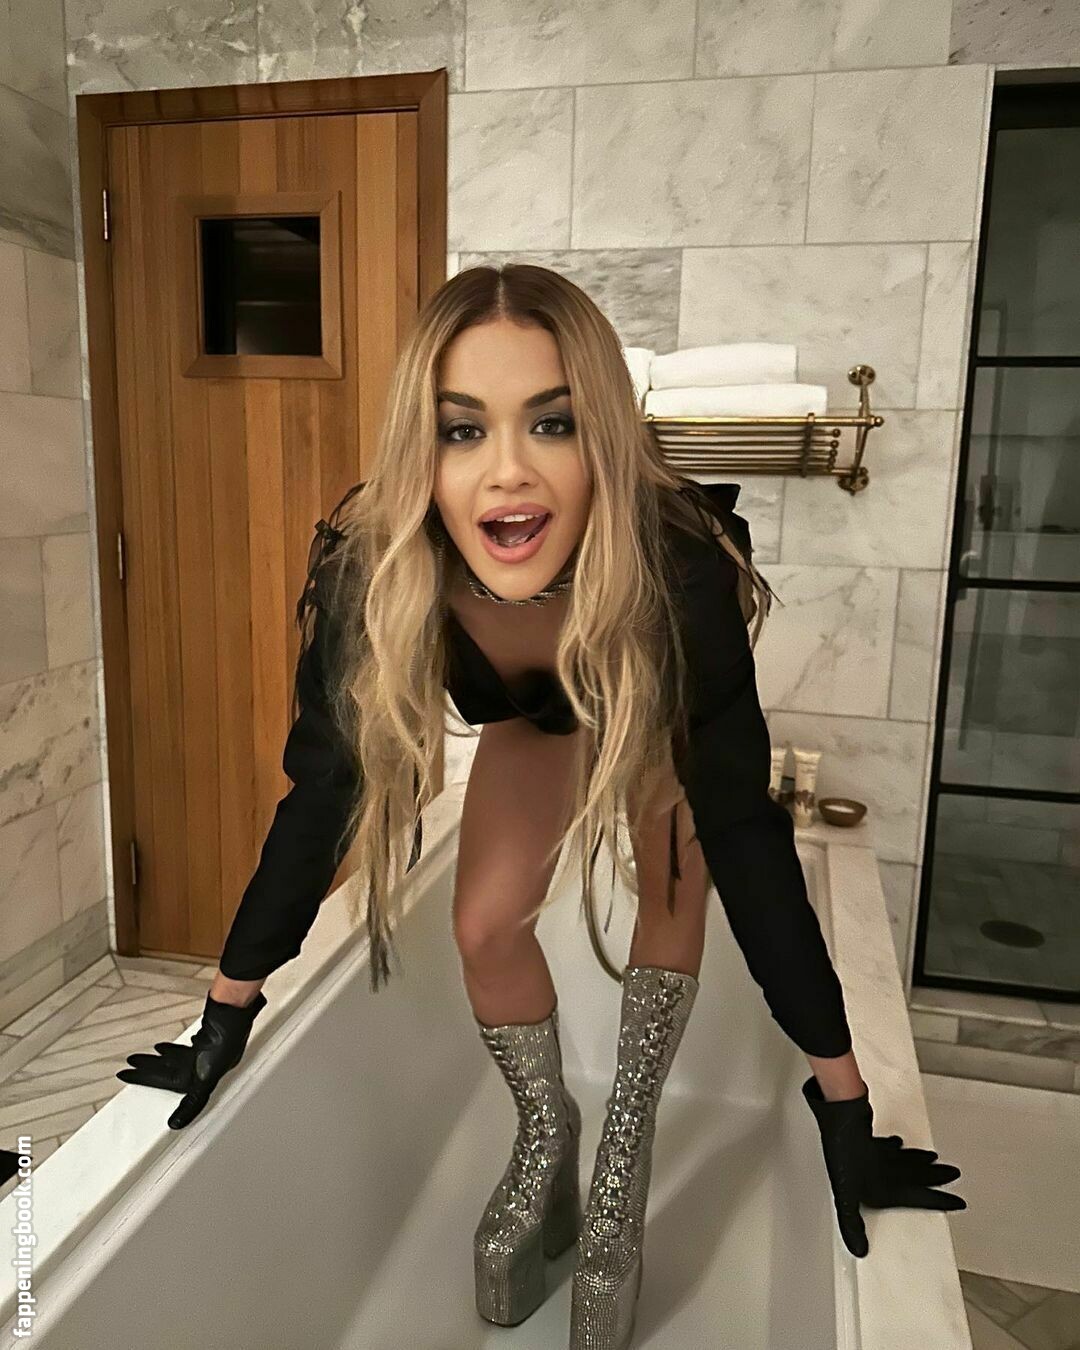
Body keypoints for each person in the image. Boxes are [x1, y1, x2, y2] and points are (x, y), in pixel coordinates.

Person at [119, 265, 965, 1349]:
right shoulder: (375, 567)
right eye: (462, 430)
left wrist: (844, 1107)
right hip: (536, 720)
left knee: (677, 859)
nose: (508, 472)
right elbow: (324, 788)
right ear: (420, 449)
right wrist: (225, 1013)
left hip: (645, 709)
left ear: (600, 435)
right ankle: (545, 1128)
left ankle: (623, 1151)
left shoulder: (673, 568)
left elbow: (745, 835)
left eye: (552, 423)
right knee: (480, 923)